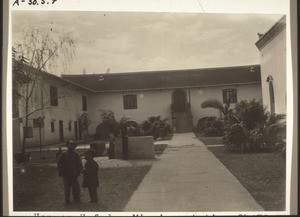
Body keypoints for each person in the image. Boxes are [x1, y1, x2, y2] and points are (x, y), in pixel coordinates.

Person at [57, 140, 83, 205]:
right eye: (70, 145)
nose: (71, 147)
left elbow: (79, 163)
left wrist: (79, 171)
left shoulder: (76, 154)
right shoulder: (63, 154)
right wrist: (62, 171)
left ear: (75, 147)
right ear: (67, 145)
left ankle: (77, 199)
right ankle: (67, 200)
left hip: (74, 174)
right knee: (67, 188)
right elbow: (59, 163)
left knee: (76, 188)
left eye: (73, 145)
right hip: (66, 174)